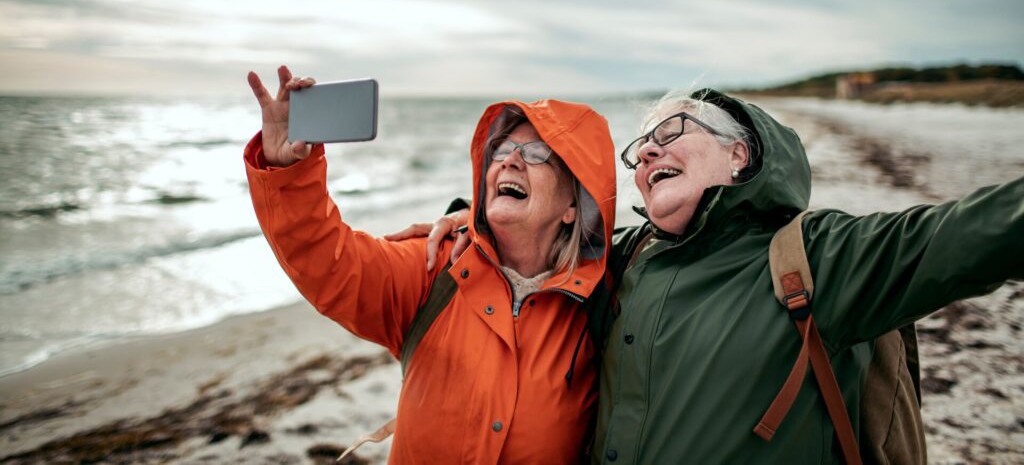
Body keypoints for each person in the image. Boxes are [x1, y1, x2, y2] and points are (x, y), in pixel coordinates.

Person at [406, 88, 1024, 463]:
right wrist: (472, 222)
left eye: (672, 131)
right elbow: (541, 243)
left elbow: (966, 235)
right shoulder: (625, 259)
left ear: (741, 152)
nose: (646, 152)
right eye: (641, 147)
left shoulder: (820, 256)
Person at [243, 66, 617, 463]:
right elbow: (330, 264)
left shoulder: (602, 303)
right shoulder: (435, 266)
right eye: (503, 151)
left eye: (538, 154)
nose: (510, 162)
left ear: (576, 207)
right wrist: (287, 171)